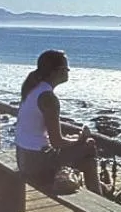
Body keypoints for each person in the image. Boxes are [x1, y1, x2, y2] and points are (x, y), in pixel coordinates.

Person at [15, 50, 104, 194]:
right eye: (67, 68)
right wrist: (80, 139)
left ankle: (97, 193)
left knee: (87, 160)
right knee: (89, 146)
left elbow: (48, 138)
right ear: (58, 71)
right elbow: (56, 142)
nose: (68, 71)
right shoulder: (48, 98)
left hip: (24, 159)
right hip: (37, 164)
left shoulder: (32, 89)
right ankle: (99, 197)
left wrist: (73, 140)